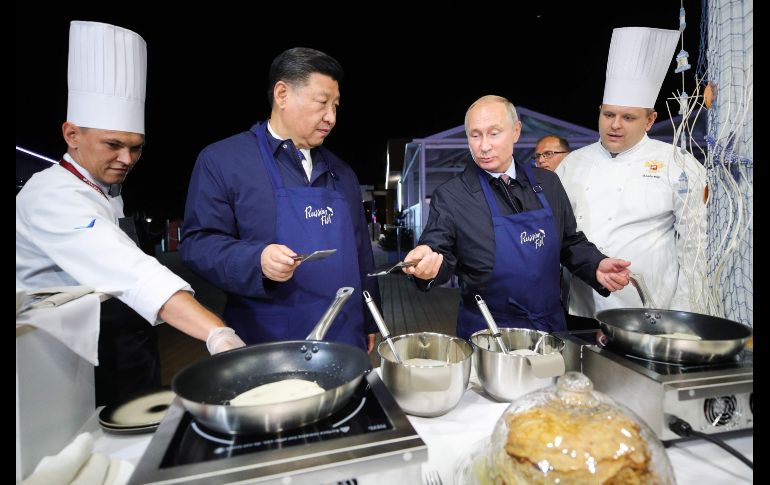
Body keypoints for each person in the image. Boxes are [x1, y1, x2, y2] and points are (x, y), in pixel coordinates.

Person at [16, 21, 245, 407]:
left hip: (124, 345)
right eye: (113, 145)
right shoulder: (50, 195)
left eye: (136, 147)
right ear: (71, 135)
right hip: (59, 363)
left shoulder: (104, 191)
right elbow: (130, 270)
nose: (126, 159)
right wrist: (215, 331)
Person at [180, 47, 380, 352]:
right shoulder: (223, 160)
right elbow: (198, 244)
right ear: (283, 94)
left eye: (336, 106)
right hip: (268, 342)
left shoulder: (342, 171)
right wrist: (255, 260)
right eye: (323, 103)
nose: (331, 117)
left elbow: (361, 251)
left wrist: (370, 318)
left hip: (344, 338)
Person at [401, 95, 632, 340]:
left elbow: (569, 242)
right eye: (475, 135)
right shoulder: (451, 196)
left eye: (494, 133)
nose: (484, 146)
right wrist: (427, 266)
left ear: (516, 131)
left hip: (550, 328)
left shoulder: (548, 183)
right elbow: (439, 252)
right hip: (488, 332)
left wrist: (595, 264)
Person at [558, 27, 707, 317]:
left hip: (651, 310)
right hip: (581, 310)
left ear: (650, 120)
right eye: (609, 114)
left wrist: (684, 313)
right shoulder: (571, 164)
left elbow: (694, 247)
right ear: (599, 111)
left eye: (628, 118)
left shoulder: (679, 164)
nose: (615, 125)